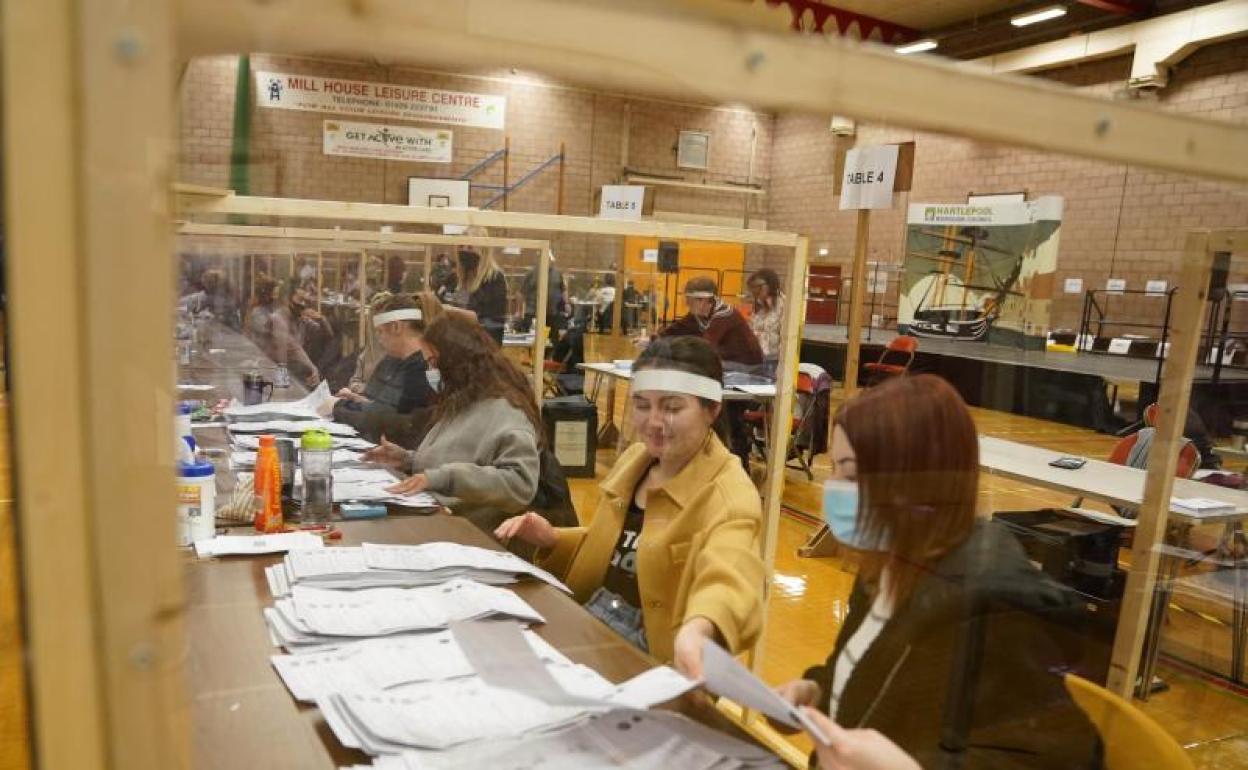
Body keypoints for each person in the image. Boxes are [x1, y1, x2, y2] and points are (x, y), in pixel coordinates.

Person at [773, 374, 1100, 769]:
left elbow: (1057, 759)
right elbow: (871, 677)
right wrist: (815, 690)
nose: (833, 488)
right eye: (836, 470)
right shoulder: (886, 566)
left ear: (916, 483)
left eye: (852, 474)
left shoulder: (996, 610)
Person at [494, 336, 766, 678]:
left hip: (652, 655)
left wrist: (700, 627)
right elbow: (621, 548)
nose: (653, 421)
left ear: (712, 409)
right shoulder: (637, 460)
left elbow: (732, 574)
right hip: (591, 623)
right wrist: (553, 539)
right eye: (641, 405)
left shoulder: (729, 493)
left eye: (671, 407)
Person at [364, 314, 540, 533]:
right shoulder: (462, 400)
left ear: (454, 362)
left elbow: (519, 484)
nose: (430, 371)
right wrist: (409, 460)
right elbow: (456, 456)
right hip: (439, 520)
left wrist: (442, 477)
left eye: (433, 363)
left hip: (470, 533)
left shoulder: (506, 411)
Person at [327, 293, 440, 437]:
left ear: (396, 327)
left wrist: (338, 408)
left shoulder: (422, 368)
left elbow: (398, 422)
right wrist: (356, 400)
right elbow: (381, 406)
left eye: (380, 332)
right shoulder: (392, 360)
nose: (379, 339)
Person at [659, 277, 762, 367]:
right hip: (728, 361)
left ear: (702, 301)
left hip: (745, 365)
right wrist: (656, 339)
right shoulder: (699, 313)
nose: (686, 303)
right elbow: (676, 329)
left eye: (689, 300)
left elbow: (706, 348)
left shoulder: (724, 315)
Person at [245, 275, 320, 386]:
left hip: (281, 363)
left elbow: (318, 330)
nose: (303, 304)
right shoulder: (267, 315)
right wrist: (312, 367)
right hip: (268, 365)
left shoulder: (285, 314)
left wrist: (318, 319)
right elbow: (289, 344)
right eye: (274, 294)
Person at [447, 229, 508, 345]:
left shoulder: (494, 278)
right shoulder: (462, 279)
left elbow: (492, 321)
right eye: (461, 247)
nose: (464, 251)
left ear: (483, 251)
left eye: (470, 247)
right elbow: (460, 307)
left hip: (484, 348)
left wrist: (451, 310)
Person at [746, 268, 785, 360]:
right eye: (753, 288)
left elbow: (785, 340)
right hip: (756, 356)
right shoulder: (758, 305)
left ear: (769, 285)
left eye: (758, 287)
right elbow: (753, 328)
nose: (754, 291)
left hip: (774, 360)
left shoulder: (784, 305)